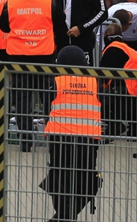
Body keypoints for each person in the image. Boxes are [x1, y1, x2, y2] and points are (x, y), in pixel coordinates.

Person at [0, 0, 68, 151]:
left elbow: (4, 26)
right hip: (44, 56)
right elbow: (61, 29)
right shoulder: (50, 3)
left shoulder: (10, 3)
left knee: (22, 99)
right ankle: (52, 136)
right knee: (48, 97)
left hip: (18, 57)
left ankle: (26, 142)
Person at [41, 46, 102, 222]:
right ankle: (65, 217)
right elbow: (102, 106)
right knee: (87, 180)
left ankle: (63, 217)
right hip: (88, 140)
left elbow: (47, 107)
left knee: (60, 179)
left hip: (59, 138)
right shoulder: (95, 81)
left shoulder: (55, 81)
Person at [99, 24, 137, 147]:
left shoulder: (112, 49)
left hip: (124, 91)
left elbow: (103, 73)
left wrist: (103, 85)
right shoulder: (128, 49)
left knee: (100, 98)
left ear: (107, 36)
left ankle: (114, 126)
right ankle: (134, 132)